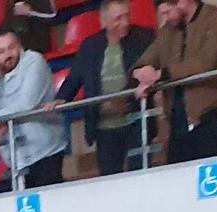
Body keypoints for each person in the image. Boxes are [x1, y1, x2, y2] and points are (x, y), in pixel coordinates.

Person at [54, 0, 157, 176]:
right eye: (118, 18)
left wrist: (125, 97)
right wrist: (59, 99)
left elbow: (151, 68)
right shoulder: (90, 46)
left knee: (141, 175)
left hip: (137, 120)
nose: (125, 22)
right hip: (104, 128)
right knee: (110, 177)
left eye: (127, 16)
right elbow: (74, 78)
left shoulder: (145, 37)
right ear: (104, 21)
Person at [133, 0, 217, 164]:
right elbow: (150, 56)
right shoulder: (167, 30)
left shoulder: (215, 17)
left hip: (209, 113)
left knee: (209, 169)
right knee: (177, 171)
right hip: (177, 117)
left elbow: (206, 61)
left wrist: (161, 74)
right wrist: (141, 72)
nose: (166, 18)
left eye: (168, 12)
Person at [0, 27, 71, 189]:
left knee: (49, 201)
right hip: (16, 159)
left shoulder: (34, 61)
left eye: (11, 47)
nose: (8, 54)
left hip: (45, 151)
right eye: (1, 51)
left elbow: (26, 103)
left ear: (20, 46)